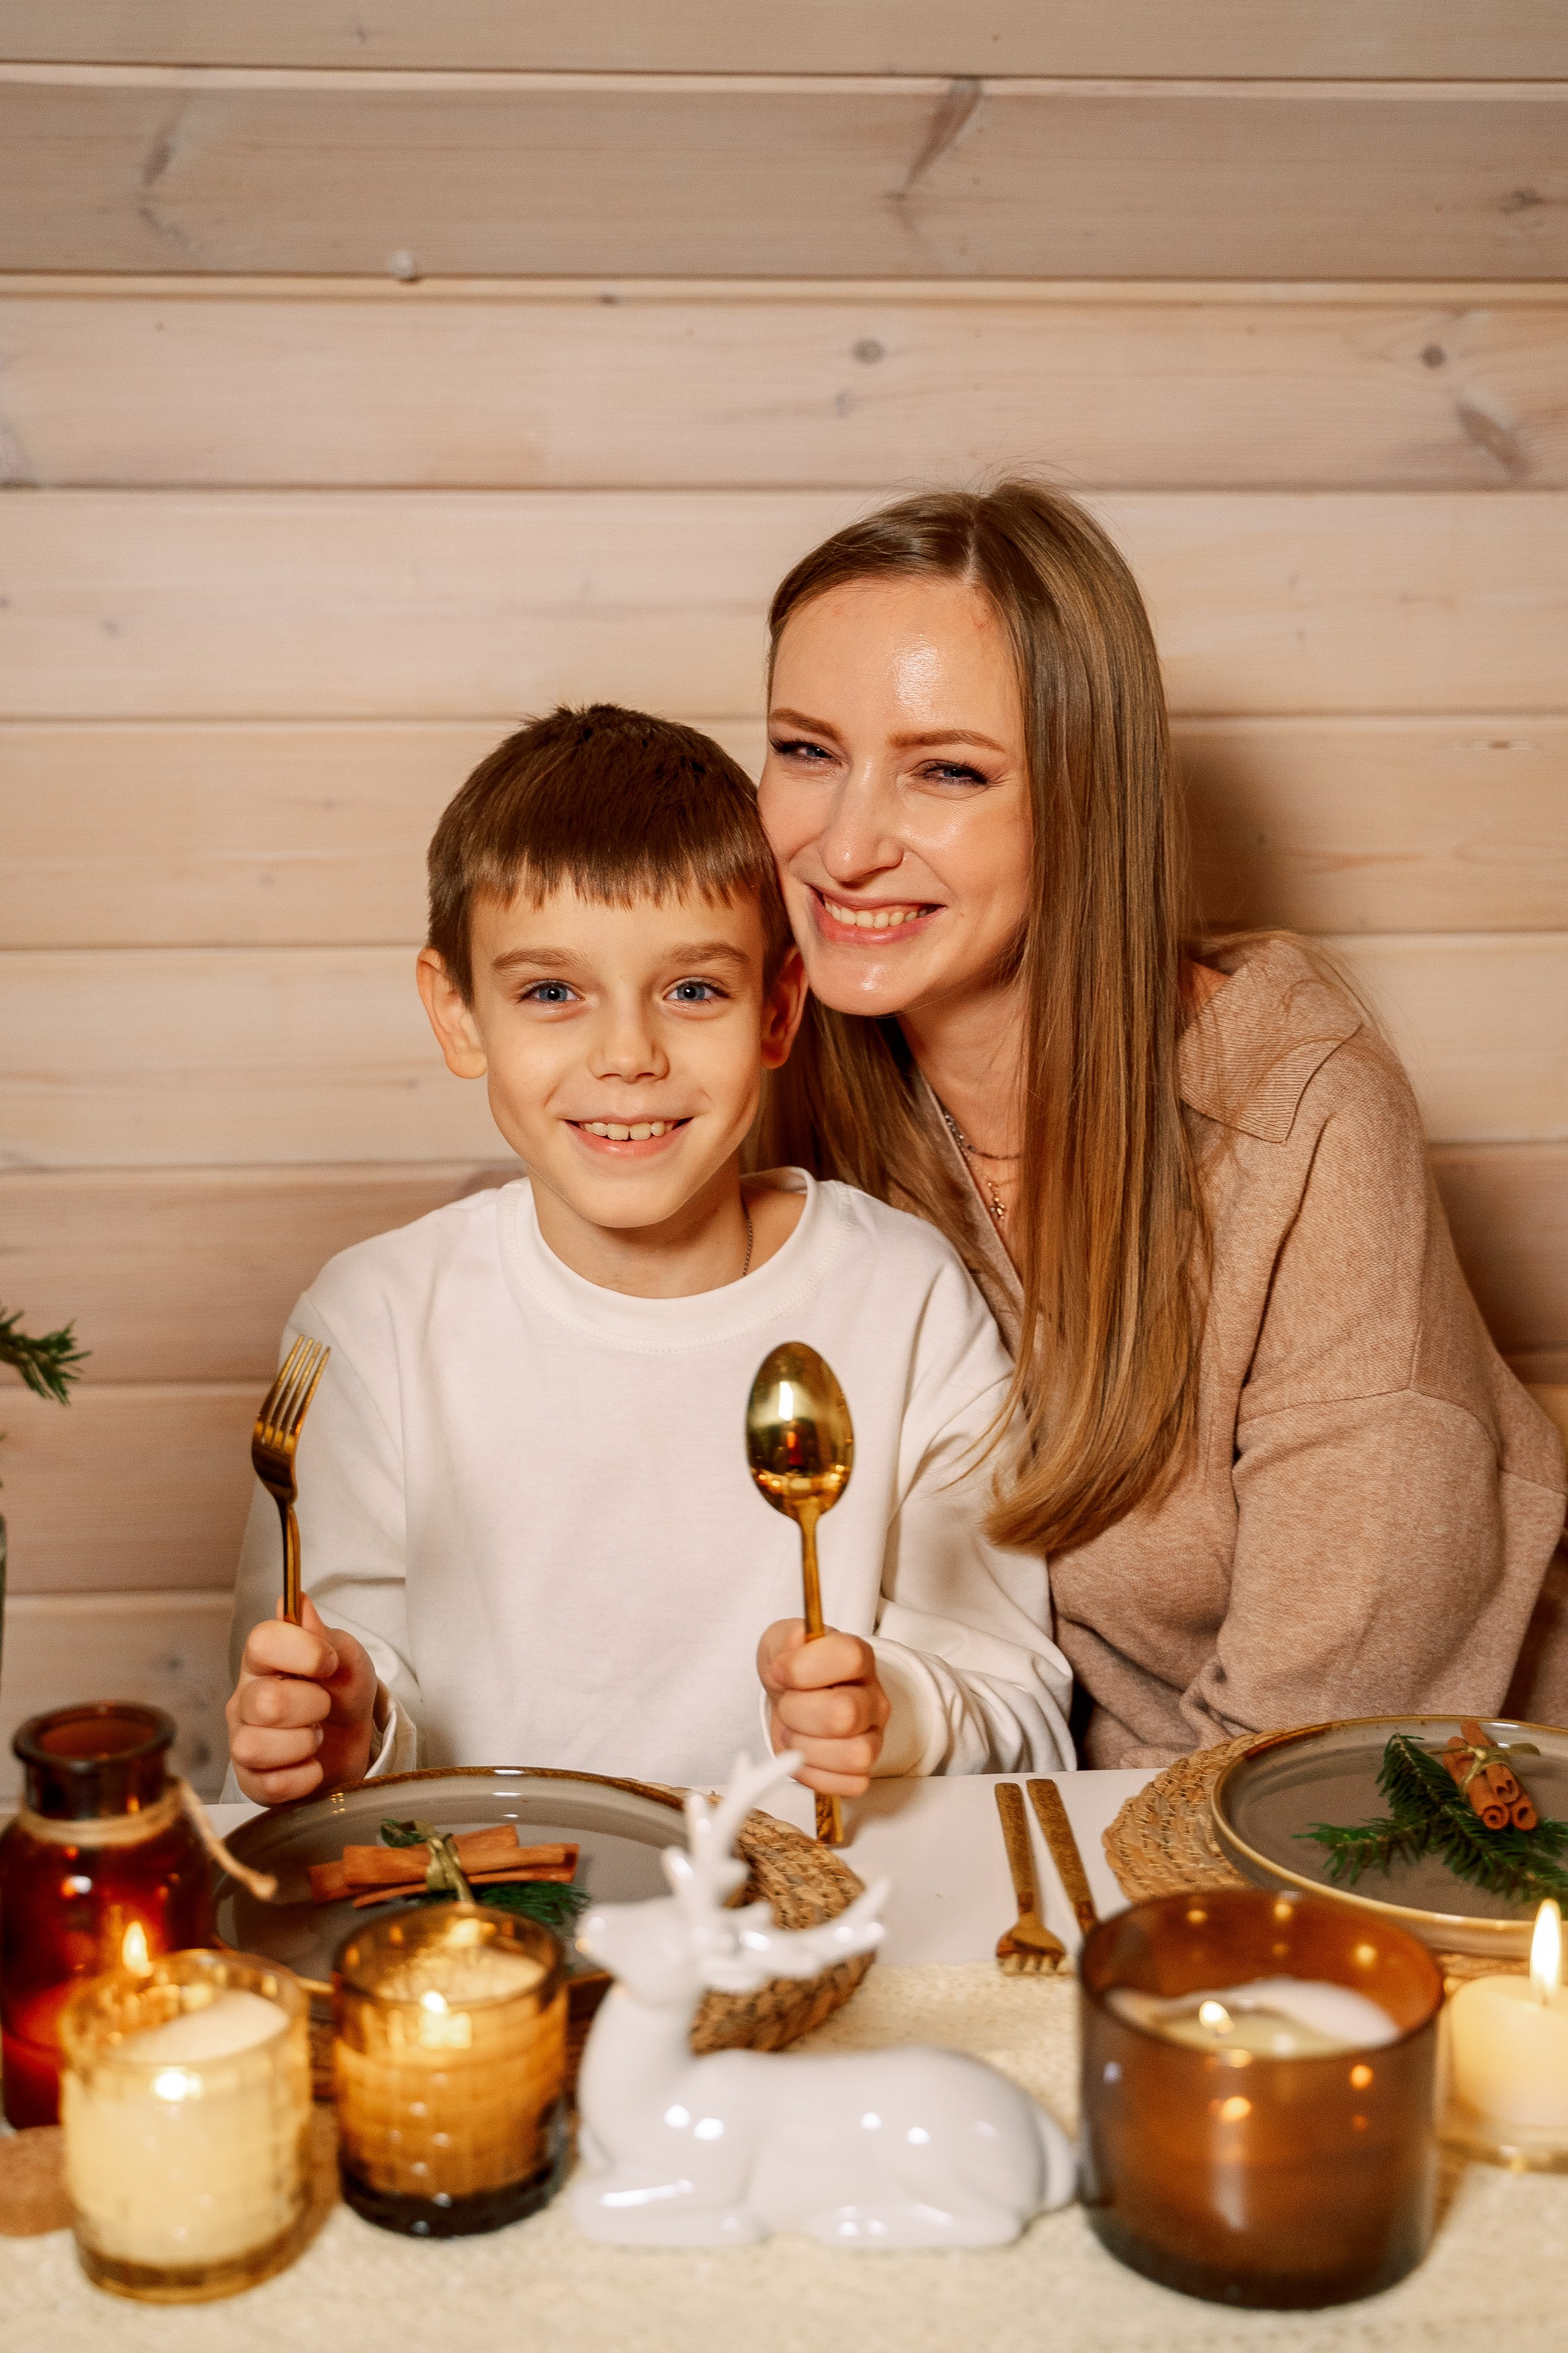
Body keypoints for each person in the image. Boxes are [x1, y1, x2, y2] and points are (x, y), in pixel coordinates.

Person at [755, 481, 1567, 1768]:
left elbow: (1314, 1731)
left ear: (1084, 799)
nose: (843, 845)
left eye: (946, 772)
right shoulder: (784, 1077)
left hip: (1421, 1823)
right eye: (805, 752)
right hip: (1036, 1815)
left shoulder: (1299, 1116)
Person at [224, 705, 1073, 1805]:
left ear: (776, 1012)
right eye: (550, 993)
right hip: (493, 1933)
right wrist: (348, 1729)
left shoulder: (899, 1300)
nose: (628, 1055)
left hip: (819, 1914)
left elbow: (1022, 1713)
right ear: (458, 1012)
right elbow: (315, 1712)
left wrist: (892, 1709)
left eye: (691, 991)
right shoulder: (374, 1319)